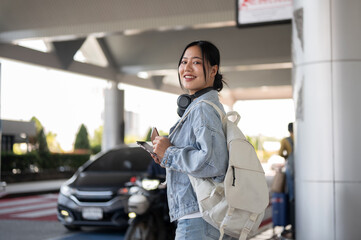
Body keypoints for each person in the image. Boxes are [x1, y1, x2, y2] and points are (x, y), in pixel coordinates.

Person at [151, 40, 235, 240]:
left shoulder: (202, 108)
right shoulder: (204, 106)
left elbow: (212, 162)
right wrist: (166, 157)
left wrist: (170, 153)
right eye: (183, 62)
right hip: (203, 218)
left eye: (196, 62)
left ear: (213, 70)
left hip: (198, 221)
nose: (186, 68)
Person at [278, 122, 295, 239]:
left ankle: (292, 199)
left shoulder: (285, 140)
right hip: (302, 166)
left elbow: (280, 153)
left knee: (291, 190)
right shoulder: (301, 137)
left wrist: (287, 156)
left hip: (291, 165)